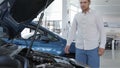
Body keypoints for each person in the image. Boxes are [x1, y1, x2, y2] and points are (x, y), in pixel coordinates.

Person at [64, 0, 106, 68]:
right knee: (80, 66)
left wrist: (102, 46)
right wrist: (68, 44)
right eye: (81, 2)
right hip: (79, 48)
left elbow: (102, 31)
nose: (82, 4)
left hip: (93, 48)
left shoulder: (96, 14)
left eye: (85, 2)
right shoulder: (77, 16)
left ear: (89, 3)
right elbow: (72, 31)